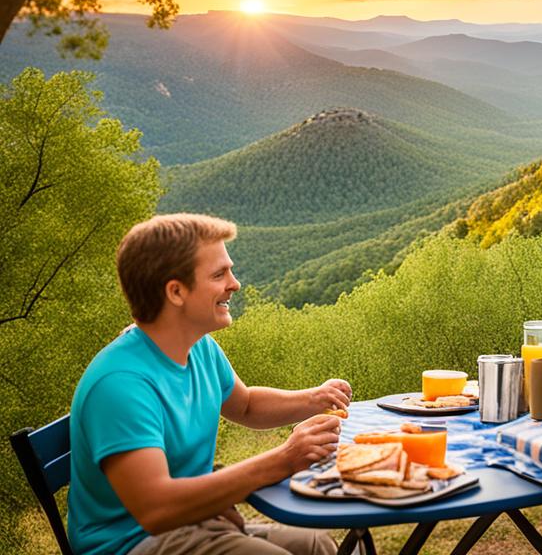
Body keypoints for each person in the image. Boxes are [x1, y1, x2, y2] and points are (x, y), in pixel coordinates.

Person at [67, 214, 350, 555]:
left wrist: (314, 398)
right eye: (219, 274)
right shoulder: (120, 385)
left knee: (318, 543)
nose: (235, 284)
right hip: (132, 543)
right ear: (176, 291)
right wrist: (284, 459)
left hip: (194, 523)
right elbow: (156, 510)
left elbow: (245, 405)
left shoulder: (197, 347)